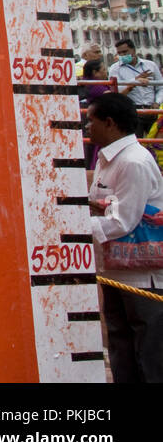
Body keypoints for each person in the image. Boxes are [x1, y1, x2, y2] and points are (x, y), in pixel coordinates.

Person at [85, 92, 163, 382]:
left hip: (144, 276)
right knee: (121, 345)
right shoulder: (110, 159)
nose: (87, 128)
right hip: (118, 270)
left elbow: (123, 221)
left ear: (110, 122)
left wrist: (79, 226)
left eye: (91, 121)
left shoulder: (133, 162)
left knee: (149, 350)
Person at [110, 39, 162, 134]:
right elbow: (116, 90)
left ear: (133, 50)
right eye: (119, 53)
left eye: (125, 52)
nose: (122, 55)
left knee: (156, 144)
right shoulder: (115, 68)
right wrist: (135, 81)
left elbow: (160, 87)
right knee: (136, 143)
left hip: (152, 110)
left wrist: (157, 102)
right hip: (131, 111)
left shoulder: (150, 65)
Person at [80, 57, 112, 169]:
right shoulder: (95, 86)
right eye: (103, 69)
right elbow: (112, 97)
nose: (105, 72)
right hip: (99, 121)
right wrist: (130, 86)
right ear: (95, 72)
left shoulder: (93, 84)